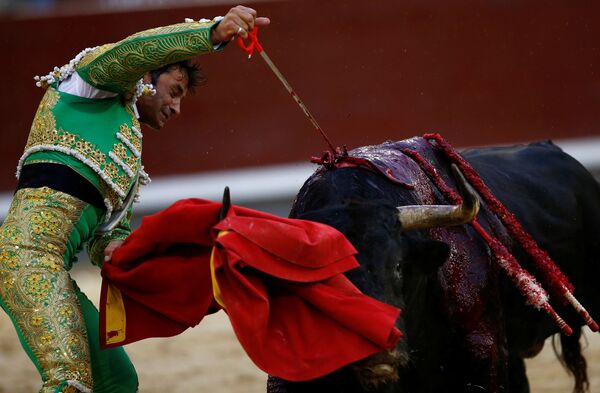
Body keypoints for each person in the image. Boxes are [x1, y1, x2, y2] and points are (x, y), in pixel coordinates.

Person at [0, 5, 269, 393]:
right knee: (70, 382)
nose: (176, 107)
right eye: (174, 91)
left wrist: (146, 255)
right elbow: (133, 50)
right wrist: (212, 33)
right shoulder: (88, 84)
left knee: (117, 381)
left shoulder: (125, 160)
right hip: (24, 256)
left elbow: (105, 239)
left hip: (52, 268)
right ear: (145, 77)